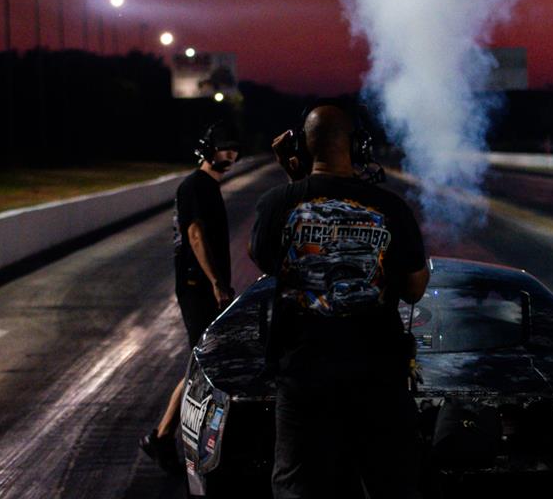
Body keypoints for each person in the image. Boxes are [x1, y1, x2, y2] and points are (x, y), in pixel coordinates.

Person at [249, 103, 429, 498]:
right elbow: (415, 288)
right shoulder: (392, 208)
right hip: (377, 377)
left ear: (303, 146)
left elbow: (270, 261)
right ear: (359, 146)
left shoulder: (277, 203)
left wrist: (295, 181)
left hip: (303, 378)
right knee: (391, 485)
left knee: (299, 488)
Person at [140, 121, 239, 473]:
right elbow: (195, 234)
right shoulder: (196, 186)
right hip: (197, 287)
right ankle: (165, 436)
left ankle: (163, 437)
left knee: (201, 365)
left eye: (233, 147)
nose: (230, 153)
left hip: (205, 287)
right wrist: (215, 281)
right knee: (203, 367)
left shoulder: (208, 187)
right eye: (223, 147)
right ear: (207, 150)